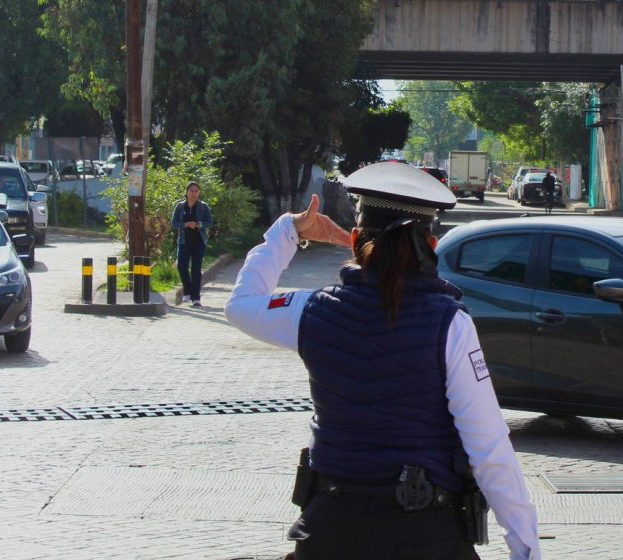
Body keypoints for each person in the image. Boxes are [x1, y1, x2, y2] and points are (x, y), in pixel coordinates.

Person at [225, 163, 540, 560]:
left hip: (330, 534)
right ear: (431, 246)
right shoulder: (450, 324)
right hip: (427, 535)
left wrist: (289, 231)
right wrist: (525, 549)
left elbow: (242, 305)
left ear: (355, 239)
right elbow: (489, 447)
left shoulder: (312, 310)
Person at [171, 182, 214, 307]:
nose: (194, 193)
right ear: (186, 192)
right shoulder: (180, 206)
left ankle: (196, 298)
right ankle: (187, 291)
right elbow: (174, 223)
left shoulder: (203, 207)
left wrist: (199, 224)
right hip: (184, 241)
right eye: (191, 190)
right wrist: (185, 224)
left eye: (196, 191)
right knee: (181, 265)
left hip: (199, 242)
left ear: (199, 193)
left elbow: (210, 222)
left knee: (196, 269)